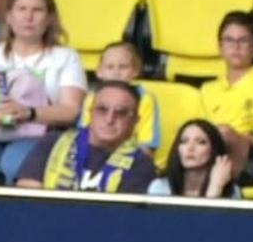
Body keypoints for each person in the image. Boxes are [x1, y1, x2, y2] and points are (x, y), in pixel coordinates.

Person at [0, 0, 85, 183]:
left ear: (49, 18)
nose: (29, 17)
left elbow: (71, 111)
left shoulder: (65, 57)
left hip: (38, 135)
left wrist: (29, 113)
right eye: (21, 9)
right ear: (8, 17)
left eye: (37, 10)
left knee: (12, 166)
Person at [16, 81, 155, 194]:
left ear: (135, 121)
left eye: (121, 112)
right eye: (102, 109)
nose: (110, 119)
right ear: (90, 113)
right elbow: (27, 197)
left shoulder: (141, 164)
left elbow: (121, 217)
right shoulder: (52, 141)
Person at [201, 11, 253, 184]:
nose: (236, 46)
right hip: (212, 159)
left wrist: (237, 137)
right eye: (229, 40)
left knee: (223, 134)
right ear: (220, 48)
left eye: (243, 40)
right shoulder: (207, 89)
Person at [78, 42, 160, 156]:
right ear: (99, 71)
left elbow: (147, 146)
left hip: (130, 162)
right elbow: (83, 139)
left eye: (123, 67)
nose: (116, 73)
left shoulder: (145, 100)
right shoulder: (91, 99)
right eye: (110, 67)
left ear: (135, 71)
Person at [148, 119, 237, 198]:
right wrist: (214, 191)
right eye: (184, 141)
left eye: (201, 142)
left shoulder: (231, 191)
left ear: (214, 150)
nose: (190, 148)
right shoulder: (160, 187)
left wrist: (216, 187)